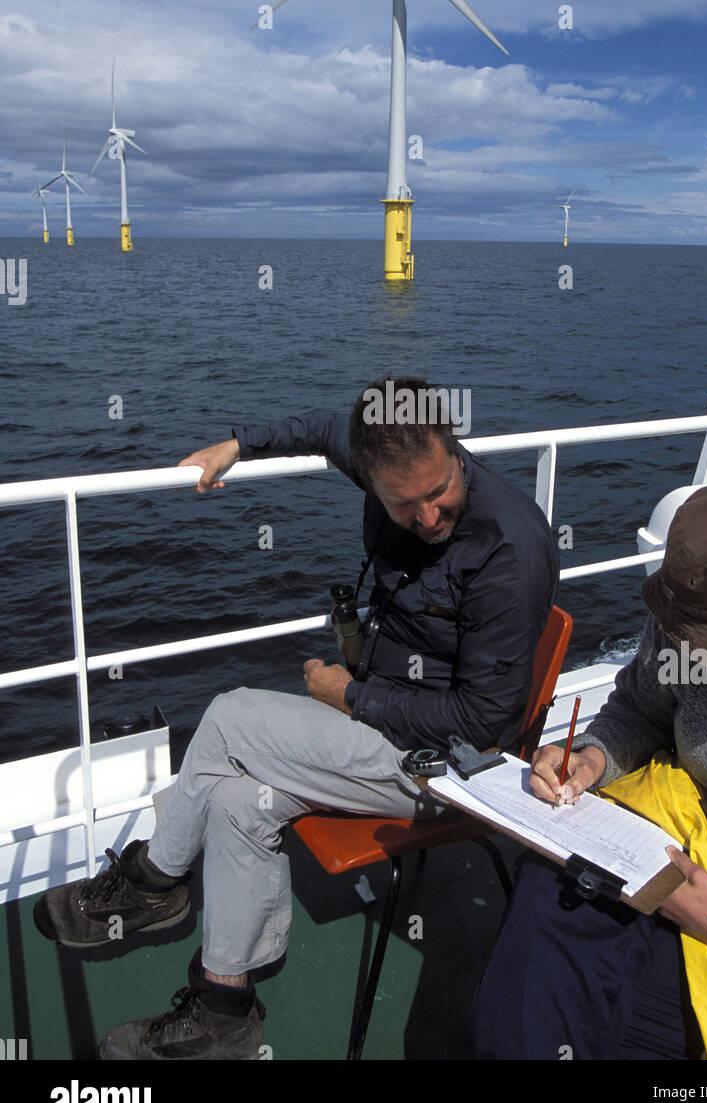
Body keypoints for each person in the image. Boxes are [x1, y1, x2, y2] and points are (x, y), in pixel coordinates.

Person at [34, 375, 558, 1060]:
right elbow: (320, 427)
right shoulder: (375, 455)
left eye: (440, 492)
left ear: (452, 447)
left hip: (452, 766)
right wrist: (238, 445)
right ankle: (224, 1006)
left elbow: (485, 723)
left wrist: (352, 697)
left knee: (226, 720)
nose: (429, 516)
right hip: (386, 721)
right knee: (232, 797)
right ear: (371, 478)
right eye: (405, 505)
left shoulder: (504, 548)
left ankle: (153, 884)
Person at [474, 474, 707, 1060]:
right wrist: (590, 759)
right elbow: (642, 707)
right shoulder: (695, 613)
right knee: (556, 891)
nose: (681, 649)